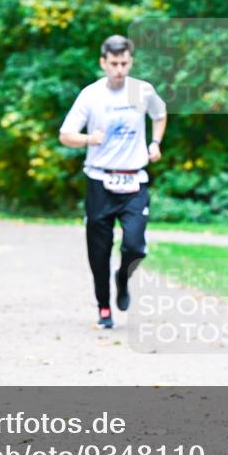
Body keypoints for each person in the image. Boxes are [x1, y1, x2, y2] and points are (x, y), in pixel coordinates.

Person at [59, 35, 168, 329]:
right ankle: (104, 307)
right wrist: (88, 139)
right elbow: (65, 134)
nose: (119, 69)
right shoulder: (92, 95)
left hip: (134, 181)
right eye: (113, 64)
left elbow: (160, 114)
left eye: (124, 63)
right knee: (99, 250)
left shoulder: (140, 91)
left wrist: (155, 143)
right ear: (103, 63)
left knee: (134, 246)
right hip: (100, 180)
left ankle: (123, 278)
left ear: (130, 62)